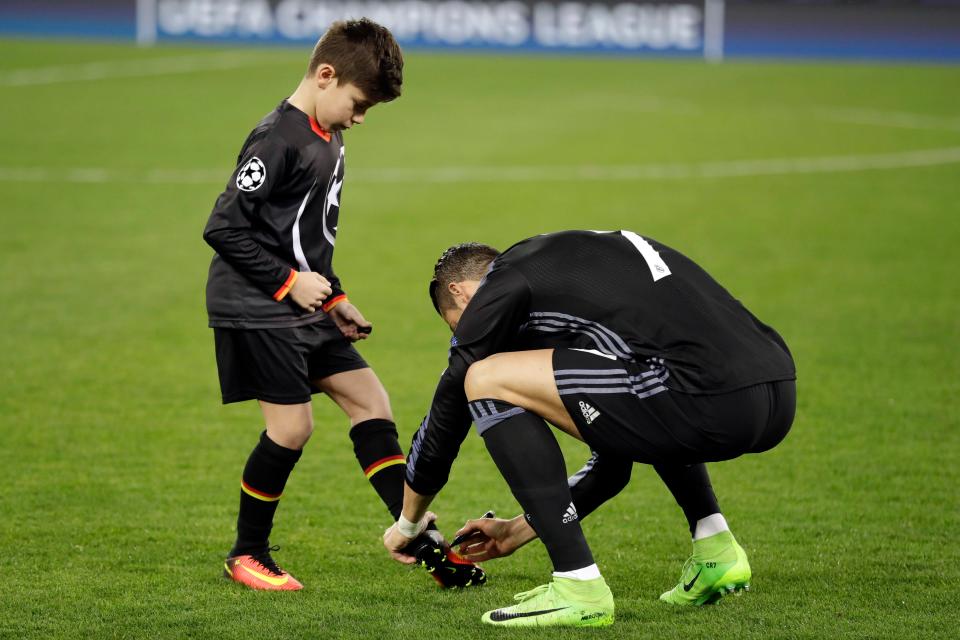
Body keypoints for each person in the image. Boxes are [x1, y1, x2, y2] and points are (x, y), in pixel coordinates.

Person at [383, 230, 796, 626]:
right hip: (776, 389)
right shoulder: (576, 267)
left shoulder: (500, 285)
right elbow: (614, 457)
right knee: (651, 383)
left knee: (483, 378)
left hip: (706, 398)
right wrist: (517, 530)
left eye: (458, 327)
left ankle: (577, 585)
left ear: (461, 293)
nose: (471, 336)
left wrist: (409, 525)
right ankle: (715, 547)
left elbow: (448, 407)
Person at [203, 18, 482, 591]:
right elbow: (224, 228)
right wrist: (288, 283)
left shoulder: (330, 135)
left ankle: (417, 540)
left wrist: (335, 297)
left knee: (370, 401)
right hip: (254, 304)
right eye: (358, 104)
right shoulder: (277, 137)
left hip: (302, 302)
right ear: (325, 76)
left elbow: (307, 234)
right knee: (292, 429)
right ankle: (247, 553)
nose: (359, 117)